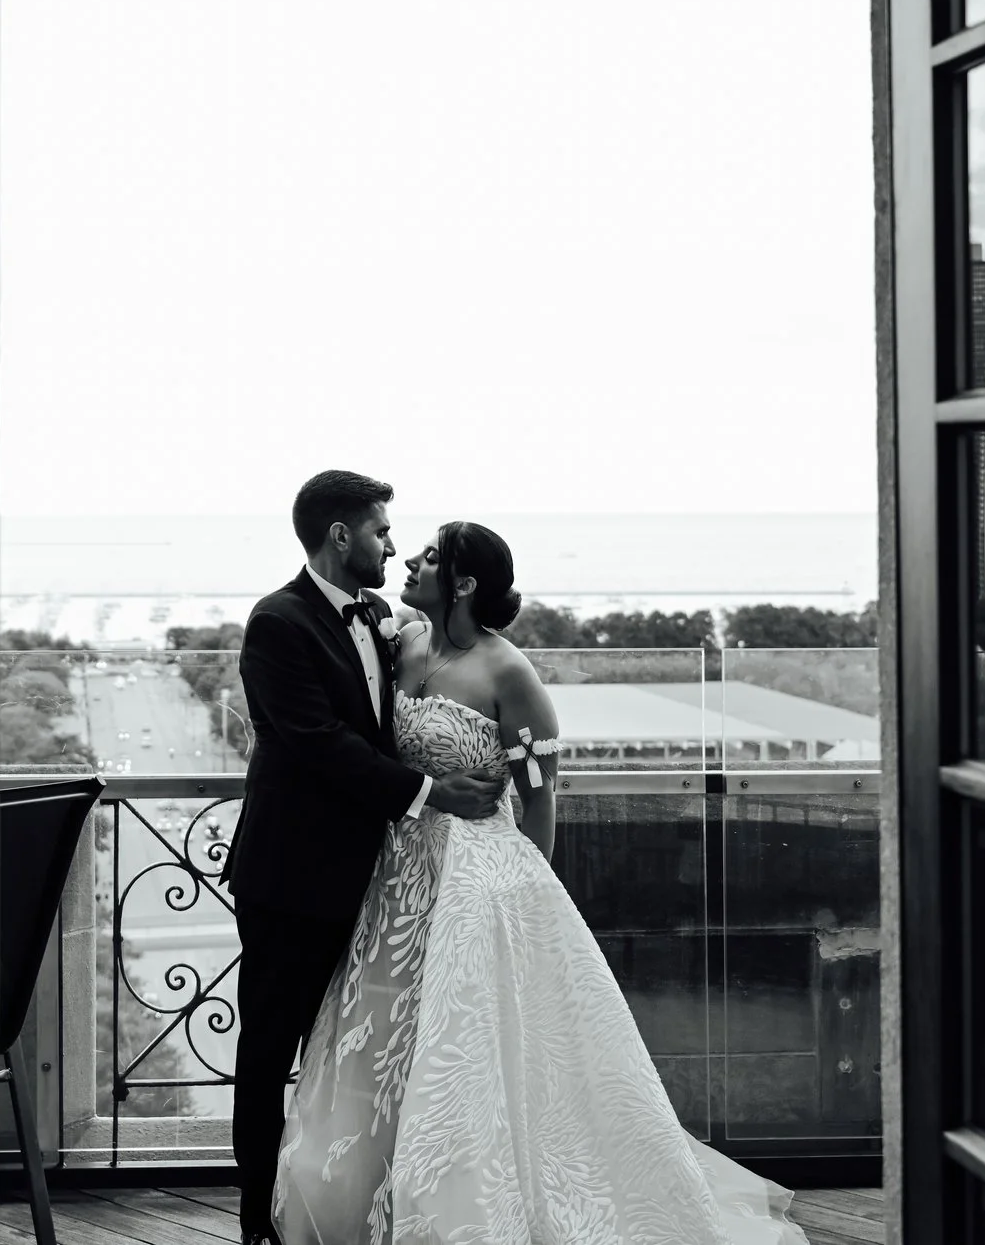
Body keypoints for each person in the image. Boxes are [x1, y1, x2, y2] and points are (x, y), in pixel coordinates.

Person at [272, 520, 808, 1245]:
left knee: (471, 1046)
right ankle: (368, 1201)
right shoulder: (405, 642)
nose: (413, 561)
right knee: (387, 1040)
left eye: (430, 555)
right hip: (398, 877)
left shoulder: (507, 672)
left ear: (462, 581)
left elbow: (541, 791)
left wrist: (528, 894)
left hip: (481, 883)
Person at [225, 471, 508, 1245]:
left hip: (378, 884)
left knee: (357, 1055)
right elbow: (317, 742)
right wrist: (430, 792)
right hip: (291, 878)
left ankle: (357, 1201)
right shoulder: (277, 621)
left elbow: (392, 720)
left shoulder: (382, 615)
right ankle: (259, 1219)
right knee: (270, 1048)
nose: (390, 542)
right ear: (341, 535)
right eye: (382, 529)